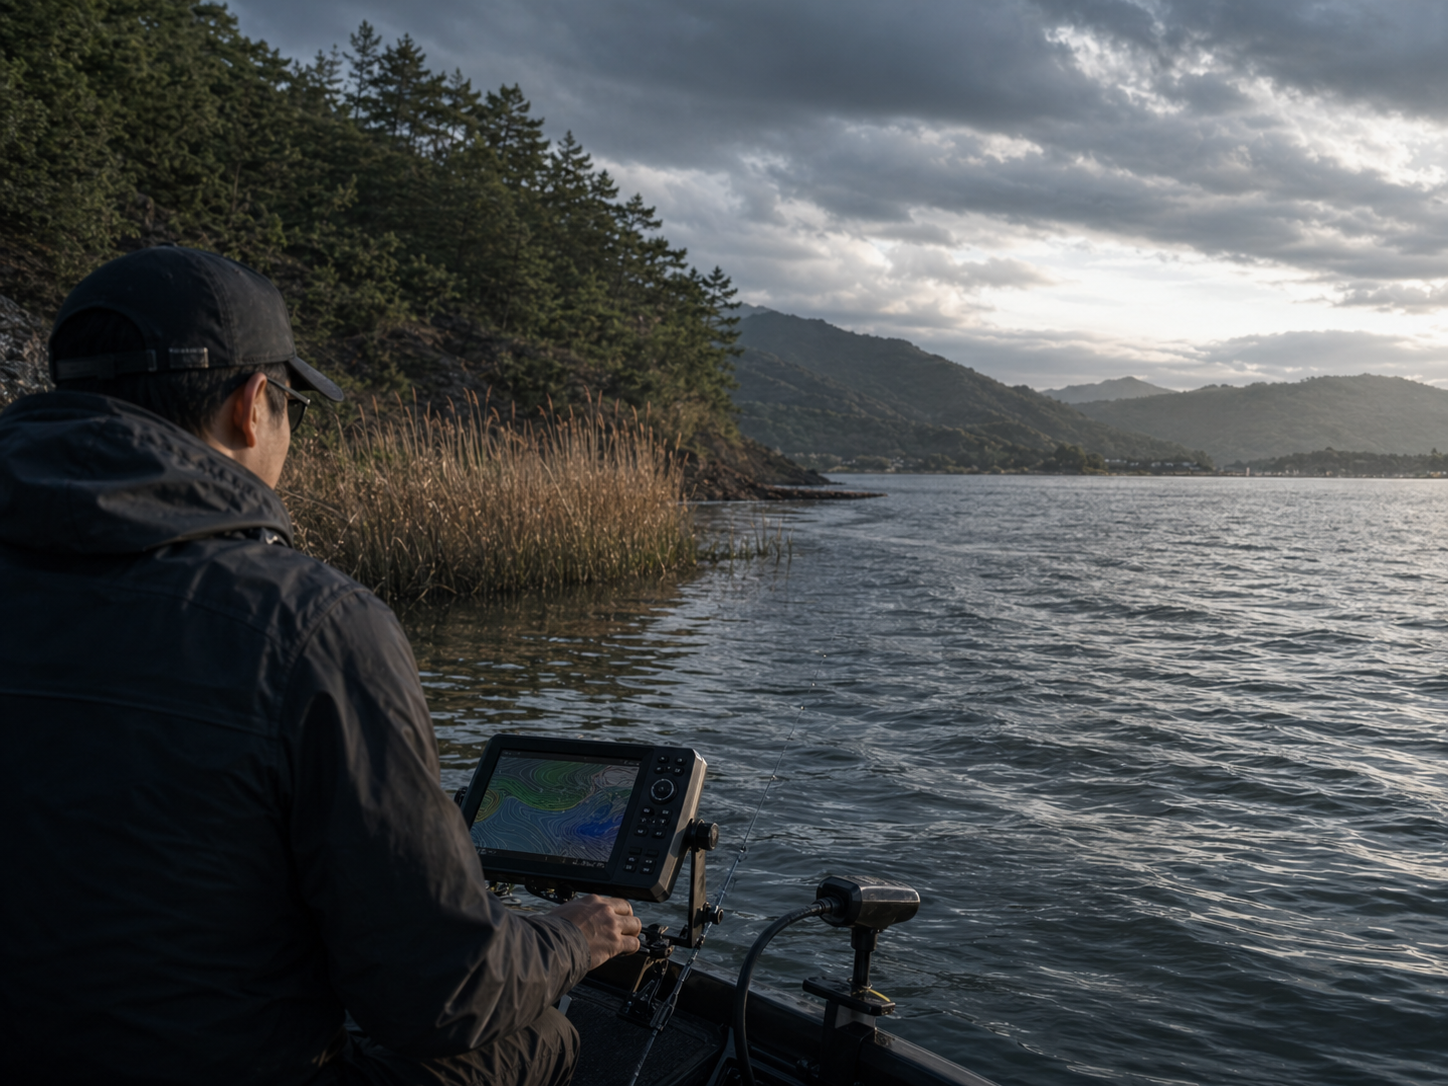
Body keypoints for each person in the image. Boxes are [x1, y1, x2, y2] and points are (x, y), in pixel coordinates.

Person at [0, 246, 641, 1085]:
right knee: (535, 1041)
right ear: (251, 404)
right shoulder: (312, 624)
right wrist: (571, 936)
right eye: (293, 404)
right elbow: (436, 998)